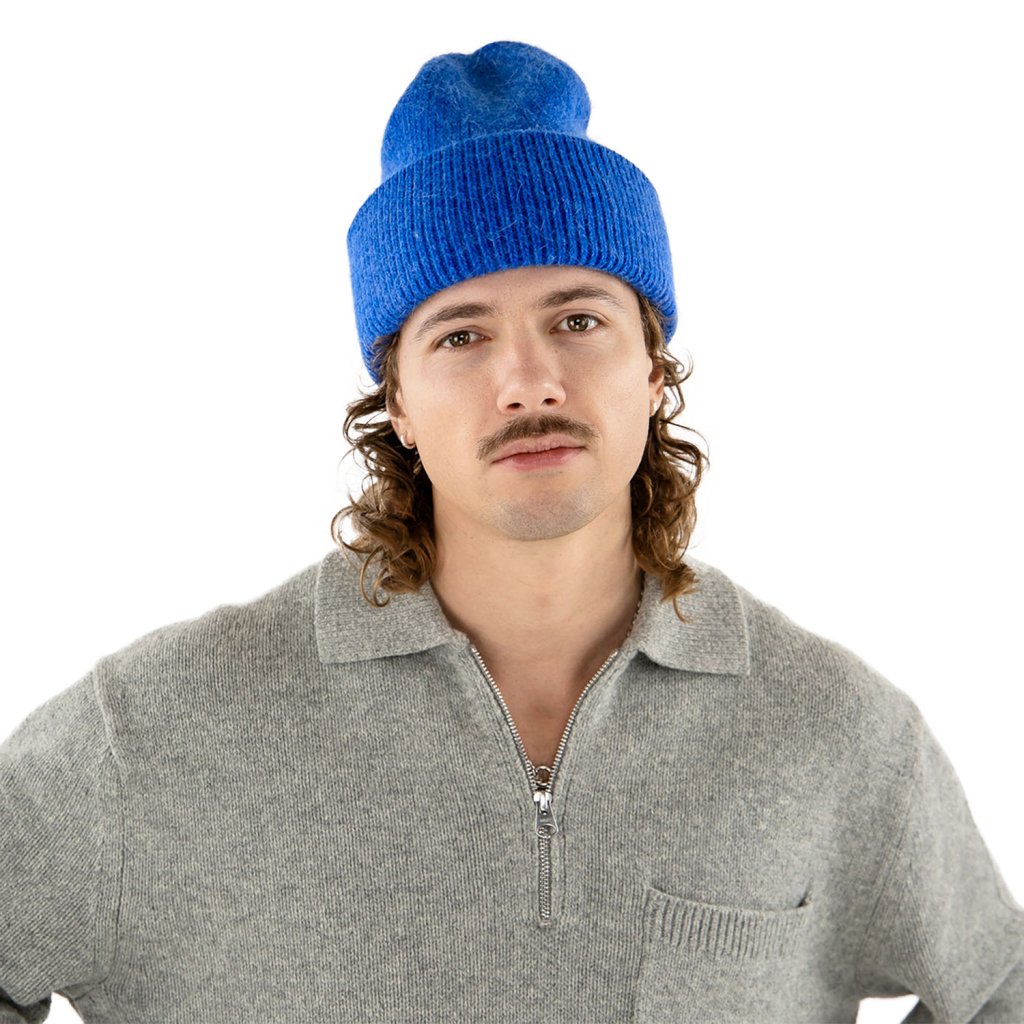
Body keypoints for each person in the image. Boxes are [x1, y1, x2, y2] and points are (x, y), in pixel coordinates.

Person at [1, 39, 1022, 1024]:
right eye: (462, 335)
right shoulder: (155, 731)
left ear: (652, 368)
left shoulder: (832, 733)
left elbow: (998, 987)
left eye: (578, 320)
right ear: (398, 401)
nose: (528, 381)